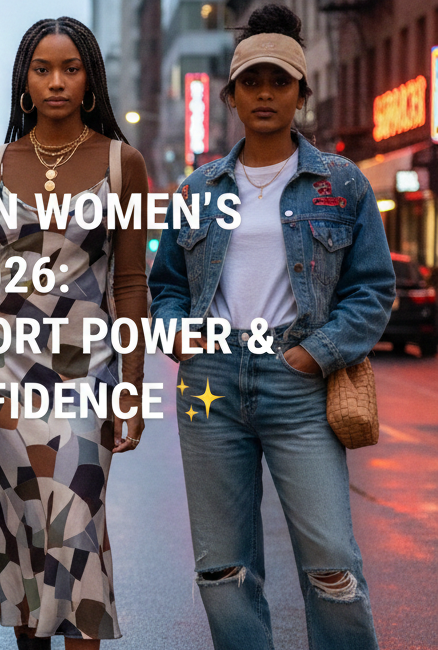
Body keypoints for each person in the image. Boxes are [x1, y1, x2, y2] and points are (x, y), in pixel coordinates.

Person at [149, 5, 392, 649]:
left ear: (301, 93)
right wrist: (176, 331)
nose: (264, 93)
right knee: (223, 569)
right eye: (251, 81)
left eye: (279, 81)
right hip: (212, 384)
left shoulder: (342, 184)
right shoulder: (198, 187)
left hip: (299, 381)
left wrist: (315, 354)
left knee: (332, 565)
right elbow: (167, 284)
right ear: (229, 95)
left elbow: (372, 290)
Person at [0, 17, 149, 650]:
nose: (57, 81)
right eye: (43, 69)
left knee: (76, 526)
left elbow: (131, 284)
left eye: (71, 69)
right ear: (24, 81)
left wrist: (131, 389)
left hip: (87, 372)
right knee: (24, 530)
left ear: (90, 80)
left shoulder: (122, 161)